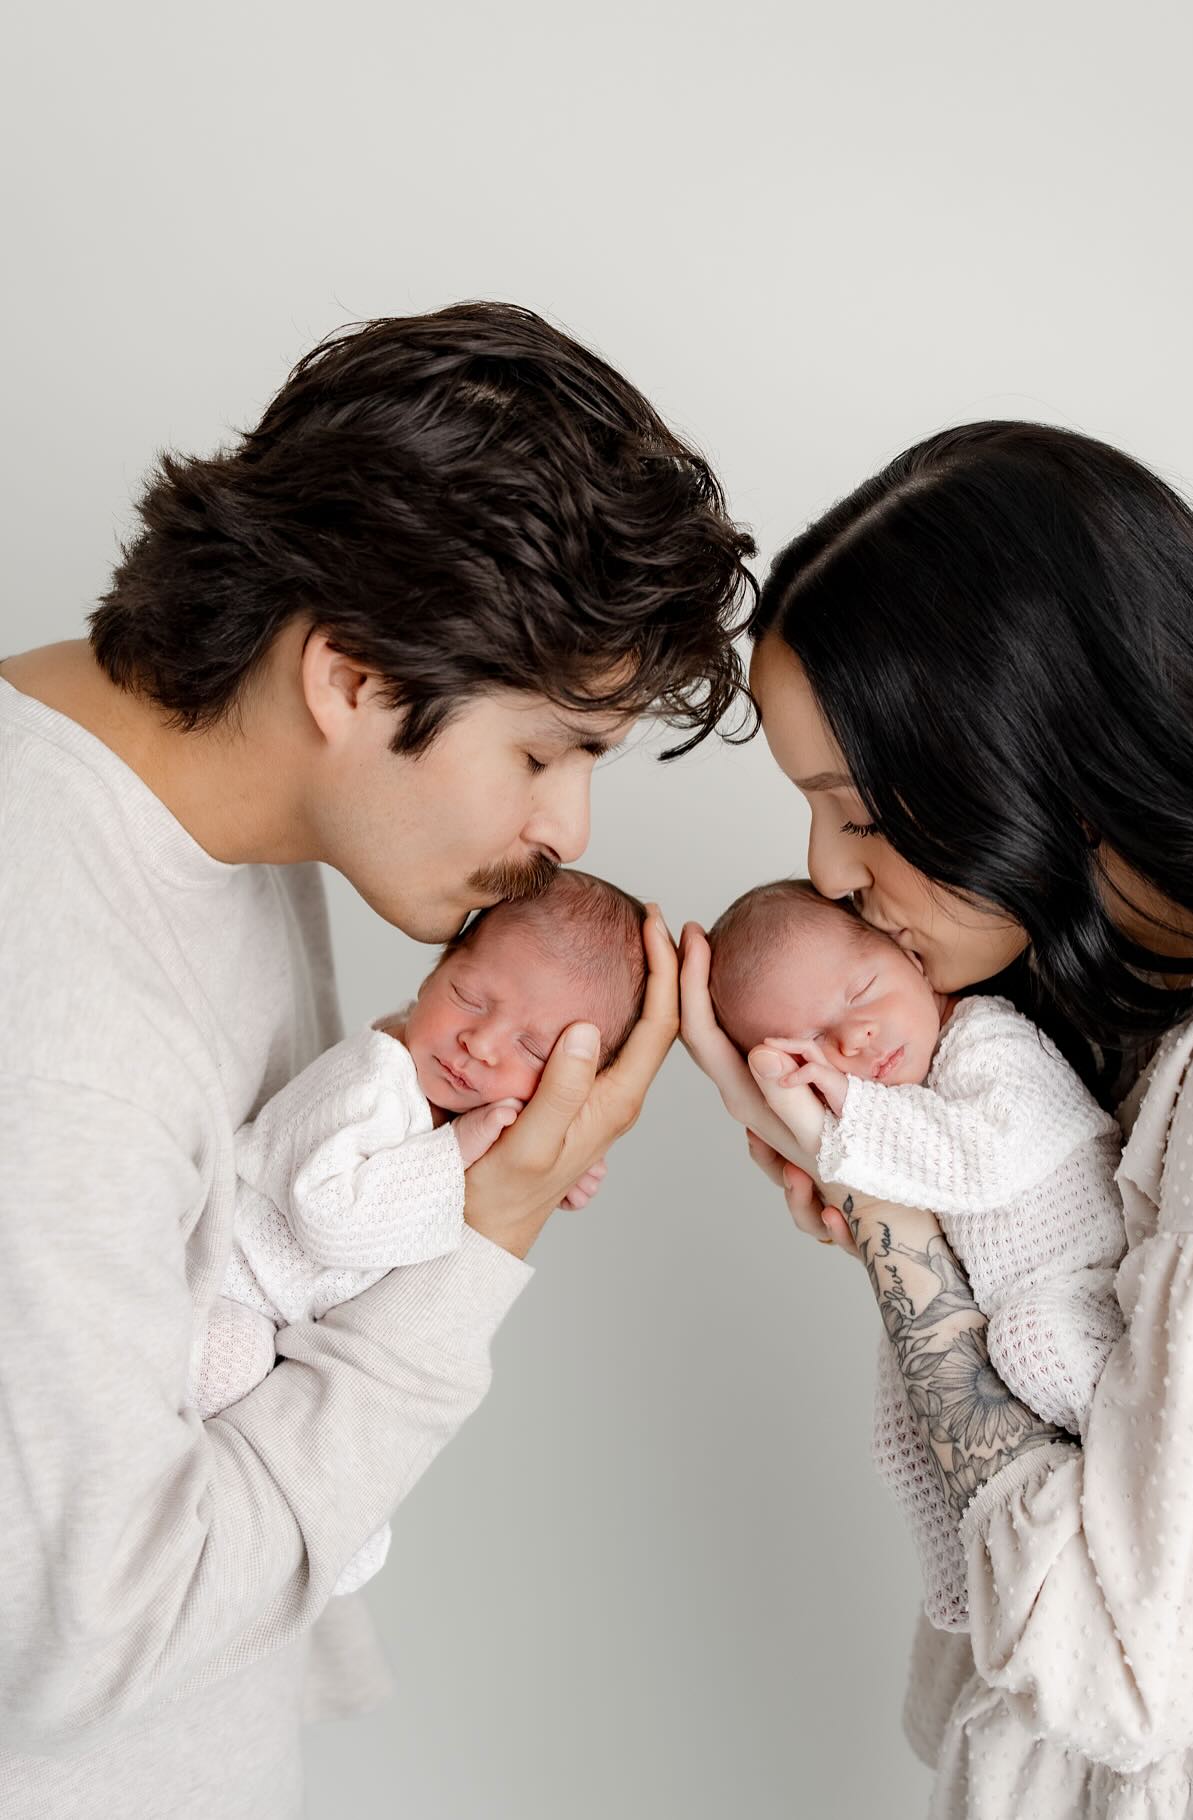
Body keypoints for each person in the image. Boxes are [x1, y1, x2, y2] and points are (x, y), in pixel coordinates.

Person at [0, 300, 752, 1820]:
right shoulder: (59, 1025)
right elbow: (83, 1634)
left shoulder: (186, 801)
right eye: (543, 752)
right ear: (348, 678)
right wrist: (484, 1233)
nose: (565, 832)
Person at [682, 421, 1193, 1817]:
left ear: (1030, 745)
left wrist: (889, 1214)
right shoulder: (1111, 1017)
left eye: (855, 809)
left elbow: (1124, 1668)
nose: (828, 870)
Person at [193, 869, 648, 1599]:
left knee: (336, 1479)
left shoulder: (451, 1107)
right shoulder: (374, 1076)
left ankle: (296, 1527)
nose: (481, 1043)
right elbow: (330, 1218)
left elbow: (457, 1195)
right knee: (227, 1369)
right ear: (435, 972)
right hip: (228, 1291)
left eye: (534, 1049)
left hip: (290, 1326)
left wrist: (552, 1168)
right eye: (470, 997)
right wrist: (458, 1151)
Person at [705, 876, 1125, 1629]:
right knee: (898, 1425)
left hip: (1082, 1284)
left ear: (910, 958)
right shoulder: (896, 1097)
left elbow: (979, 1160)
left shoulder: (987, 1035)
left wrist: (841, 1115)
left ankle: (1129, 1473)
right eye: (811, 1046)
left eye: (861, 992)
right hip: (990, 1303)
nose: (853, 1040)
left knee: (1032, 1343)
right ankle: (968, 1583)